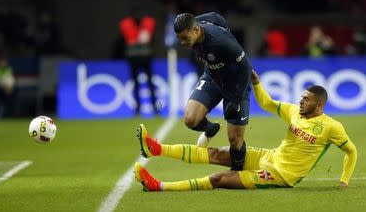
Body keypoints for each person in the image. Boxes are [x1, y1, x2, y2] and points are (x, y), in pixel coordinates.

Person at [134, 70, 357, 191]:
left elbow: (351, 151)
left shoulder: (332, 127)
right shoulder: (293, 111)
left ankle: (158, 186)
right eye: (301, 97)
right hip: (269, 156)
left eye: (306, 100)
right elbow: (268, 103)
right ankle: (156, 148)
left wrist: (344, 180)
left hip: (280, 176)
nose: (300, 101)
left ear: (319, 105)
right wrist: (256, 83)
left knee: (219, 179)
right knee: (218, 153)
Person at [173, 12, 252, 171]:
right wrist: (225, 26)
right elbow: (215, 17)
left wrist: (236, 99)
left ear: (196, 30)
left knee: (235, 139)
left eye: (185, 38)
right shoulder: (197, 24)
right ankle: (210, 128)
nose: (182, 42)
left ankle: (237, 172)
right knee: (190, 119)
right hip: (212, 78)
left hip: (235, 84)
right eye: (180, 38)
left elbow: (246, 67)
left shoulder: (221, 41)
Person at [119, 14, 158, 116]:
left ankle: (155, 108)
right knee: (136, 84)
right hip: (134, 59)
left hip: (145, 58)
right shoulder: (126, 24)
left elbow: (152, 40)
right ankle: (138, 109)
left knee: (149, 83)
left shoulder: (148, 23)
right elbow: (123, 41)